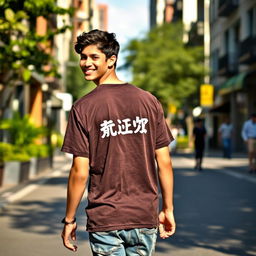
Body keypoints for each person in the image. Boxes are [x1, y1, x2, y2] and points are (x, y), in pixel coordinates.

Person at [60, 29, 176, 255]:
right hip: (144, 216)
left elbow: (79, 171)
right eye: (83, 57)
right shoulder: (148, 101)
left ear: (111, 60)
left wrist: (69, 220)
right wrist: (167, 208)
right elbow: (164, 162)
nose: (86, 63)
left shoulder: (83, 107)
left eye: (94, 57)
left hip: (107, 218)